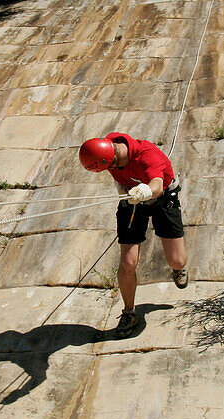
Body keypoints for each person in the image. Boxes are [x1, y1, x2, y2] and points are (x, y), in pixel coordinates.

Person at [79, 132, 188, 337]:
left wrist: (145, 191)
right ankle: (129, 311)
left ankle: (178, 270)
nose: (109, 170)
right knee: (128, 263)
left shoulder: (147, 155)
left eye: (108, 167)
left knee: (177, 260)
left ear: (110, 158)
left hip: (162, 197)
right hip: (131, 199)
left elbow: (156, 183)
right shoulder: (108, 148)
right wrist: (128, 193)